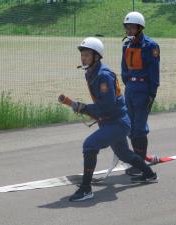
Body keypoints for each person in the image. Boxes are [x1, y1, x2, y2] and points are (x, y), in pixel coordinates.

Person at [68, 37, 158, 202]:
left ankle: (86, 189)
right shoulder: (91, 71)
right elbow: (103, 105)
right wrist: (85, 108)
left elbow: (108, 106)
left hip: (117, 122)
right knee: (123, 153)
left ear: (97, 56)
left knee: (89, 145)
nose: (83, 58)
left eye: (87, 55)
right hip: (110, 121)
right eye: (83, 55)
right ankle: (149, 174)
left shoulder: (103, 76)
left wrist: (84, 107)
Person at [121, 12, 160, 176]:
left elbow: (154, 72)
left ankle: (140, 165)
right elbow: (124, 68)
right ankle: (138, 161)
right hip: (130, 89)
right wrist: (128, 85)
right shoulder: (126, 45)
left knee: (139, 129)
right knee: (130, 127)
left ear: (140, 27)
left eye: (132, 26)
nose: (129, 29)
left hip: (144, 91)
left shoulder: (151, 46)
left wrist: (152, 93)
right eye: (127, 26)